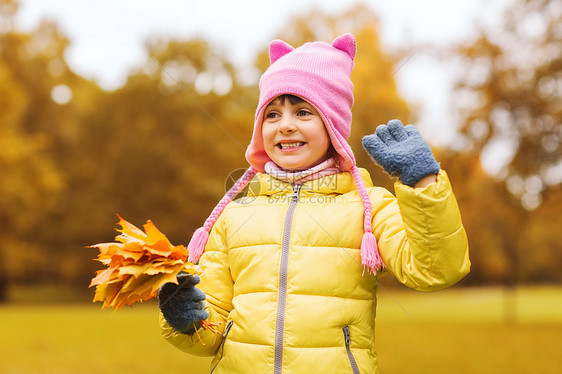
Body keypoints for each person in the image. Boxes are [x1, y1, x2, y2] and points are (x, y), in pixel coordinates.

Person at [157, 33, 470, 374]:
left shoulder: (368, 209)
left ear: (333, 126)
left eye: (303, 112)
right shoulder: (235, 216)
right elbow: (209, 334)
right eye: (272, 115)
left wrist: (421, 182)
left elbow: (436, 270)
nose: (285, 125)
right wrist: (186, 320)